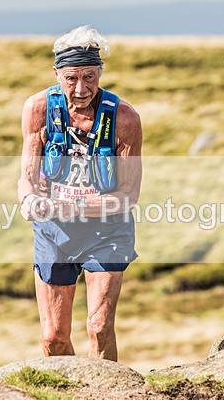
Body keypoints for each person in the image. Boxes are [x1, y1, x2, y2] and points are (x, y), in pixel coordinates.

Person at [18, 25, 142, 361]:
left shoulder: (125, 117)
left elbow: (129, 196)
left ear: (101, 72)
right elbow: (27, 177)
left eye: (90, 76)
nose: (81, 88)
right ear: (56, 73)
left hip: (107, 230)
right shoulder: (38, 109)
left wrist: (70, 207)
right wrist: (29, 200)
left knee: (99, 326)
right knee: (53, 338)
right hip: (54, 232)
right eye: (71, 78)